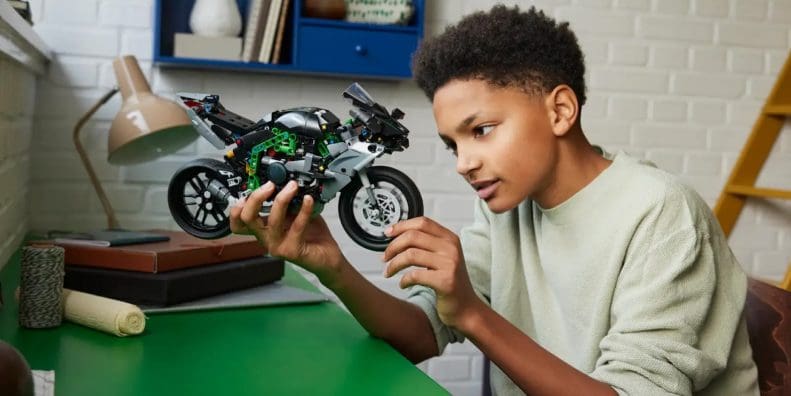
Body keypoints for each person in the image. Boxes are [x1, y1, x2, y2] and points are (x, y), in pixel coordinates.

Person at [231, 5, 759, 395]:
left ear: (560, 111)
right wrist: (332, 267)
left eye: (481, 130)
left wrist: (473, 314)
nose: (463, 163)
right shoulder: (509, 206)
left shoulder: (660, 213)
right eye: (452, 144)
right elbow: (421, 335)